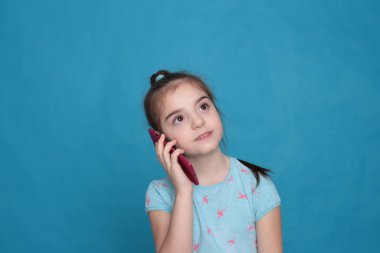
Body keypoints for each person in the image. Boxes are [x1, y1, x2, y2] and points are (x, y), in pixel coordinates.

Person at [143, 70, 283, 253]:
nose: (198, 121)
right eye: (179, 118)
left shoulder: (256, 185)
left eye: (203, 107)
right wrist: (184, 192)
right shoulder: (160, 194)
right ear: (161, 139)